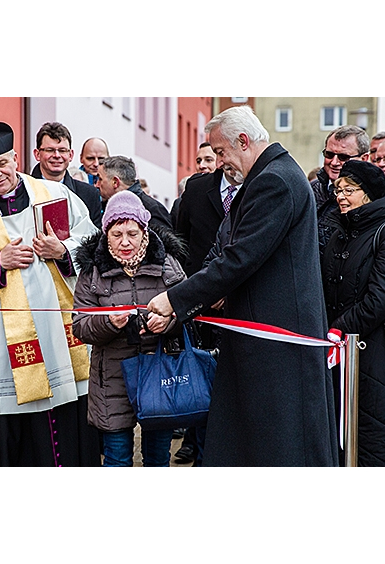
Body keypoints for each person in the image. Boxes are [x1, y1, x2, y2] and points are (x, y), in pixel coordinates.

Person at [147, 106, 338, 466]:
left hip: (275, 342)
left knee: (280, 444)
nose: (219, 163)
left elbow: (240, 258)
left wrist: (175, 299)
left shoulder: (274, 181)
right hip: (264, 336)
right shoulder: (272, 175)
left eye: (220, 152)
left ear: (244, 141)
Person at [0, 117, 99, 466]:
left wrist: (63, 251)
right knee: (15, 428)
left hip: (59, 331)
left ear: (16, 158)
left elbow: (93, 242)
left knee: (69, 412)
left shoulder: (56, 195)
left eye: (1, 163)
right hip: (3, 338)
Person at [72, 191, 187, 466]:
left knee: (158, 457)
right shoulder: (92, 271)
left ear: (144, 230)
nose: (125, 242)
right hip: (112, 377)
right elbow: (80, 326)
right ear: (105, 233)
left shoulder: (167, 264)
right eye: (117, 233)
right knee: (117, 458)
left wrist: (168, 322)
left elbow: (188, 310)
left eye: (132, 233)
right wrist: (109, 322)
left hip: (160, 373)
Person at [321, 160, 385, 466]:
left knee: (378, 434)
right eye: (338, 189)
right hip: (337, 352)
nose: (341, 196)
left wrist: (340, 326)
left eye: (350, 190)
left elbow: (381, 298)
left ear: (370, 194)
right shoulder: (339, 232)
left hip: (375, 353)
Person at [171, 159, 242, 465]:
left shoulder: (256, 188)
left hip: (240, 309)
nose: (211, 161)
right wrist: (198, 289)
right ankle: (202, 456)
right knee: (200, 386)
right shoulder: (197, 190)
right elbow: (181, 241)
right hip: (200, 305)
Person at [30, 121, 103, 230]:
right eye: (50, 150)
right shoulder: (23, 190)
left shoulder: (89, 195)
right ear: (37, 154)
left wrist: (64, 247)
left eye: (62, 150)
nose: (57, 155)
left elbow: (94, 240)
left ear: (71, 155)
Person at [312, 125, 370, 253]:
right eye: (329, 154)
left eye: (343, 157)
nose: (334, 162)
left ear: (364, 158)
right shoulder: (311, 190)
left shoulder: (376, 197)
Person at [95, 156, 173, 230]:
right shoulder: (103, 206)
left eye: (100, 179)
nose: (96, 185)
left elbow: (165, 242)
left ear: (115, 182)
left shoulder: (152, 209)